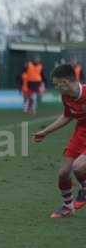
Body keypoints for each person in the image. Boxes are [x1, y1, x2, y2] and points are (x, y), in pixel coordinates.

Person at [33, 64, 86, 218]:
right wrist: (45, 132)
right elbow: (67, 116)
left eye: (56, 84)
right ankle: (68, 207)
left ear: (66, 82)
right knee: (63, 173)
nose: (55, 87)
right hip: (81, 132)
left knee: (78, 167)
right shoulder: (66, 96)